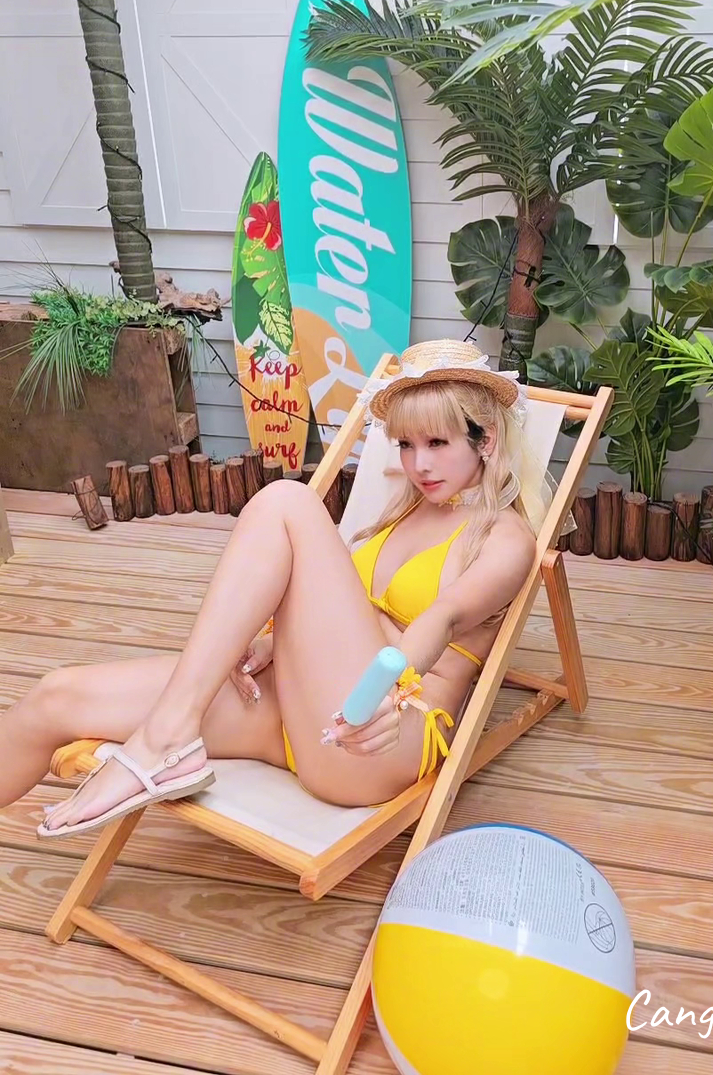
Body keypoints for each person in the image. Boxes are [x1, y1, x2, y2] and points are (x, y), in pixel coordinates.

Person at [3, 340, 554, 840]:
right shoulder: (402, 514)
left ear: (486, 440)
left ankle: (166, 736)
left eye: (437, 442)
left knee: (288, 502)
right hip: (297, 708)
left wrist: (387, 694)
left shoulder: (505, 540)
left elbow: (443, 618)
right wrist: (273, 642)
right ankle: (169, 734)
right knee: (57, 696)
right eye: (406, 445)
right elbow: (335, 617)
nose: (418, 464)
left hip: (378, 735)